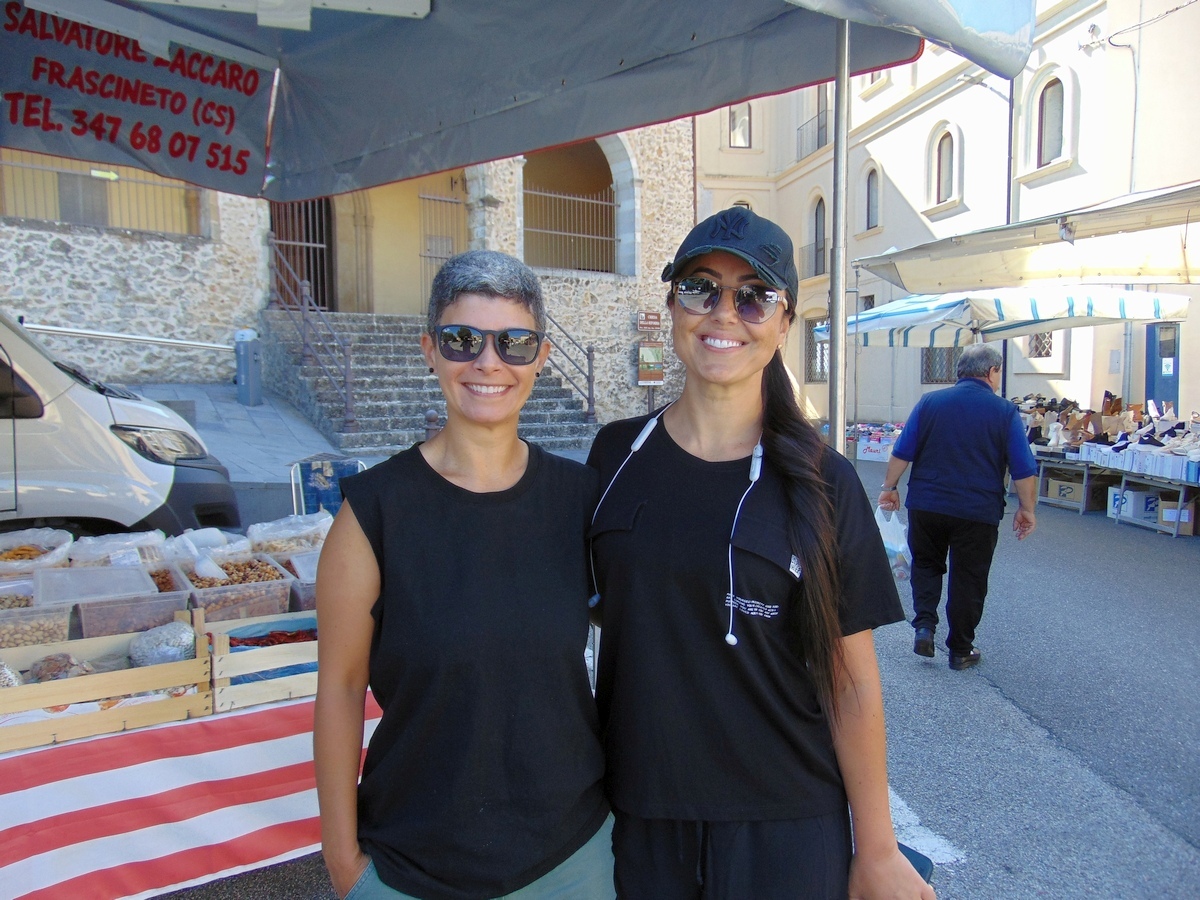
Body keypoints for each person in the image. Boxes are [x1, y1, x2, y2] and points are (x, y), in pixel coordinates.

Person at [587, 207, 935, 900]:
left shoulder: (823, 480)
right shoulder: (613, 457)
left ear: (783, 325)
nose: (724, 313)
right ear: (672, 304)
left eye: (754, 295)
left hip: (786, 824)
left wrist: (877, 849)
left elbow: (852, 681)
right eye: (701, 288)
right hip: (639, 818)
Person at [313, 250, 612, 900]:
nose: (488, 362)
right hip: (413, 867)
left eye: (514, 342)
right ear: (429, 349)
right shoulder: (372, 514)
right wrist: (343, 863)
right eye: (462, 340)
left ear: (540, 354)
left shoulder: (581, 499)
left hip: (573, 860)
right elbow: (339, 690)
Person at [877, 342, 1038, 671]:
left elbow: (902, 450)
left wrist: (890, 488)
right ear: (992, 372)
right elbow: (1023, 469)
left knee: (926, 565)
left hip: (928, 503)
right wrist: (1027, 509)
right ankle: (961, 649)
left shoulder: (930, 402)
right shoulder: (1005, 412)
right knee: (969, 577)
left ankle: (924, 626)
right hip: (977, 510)